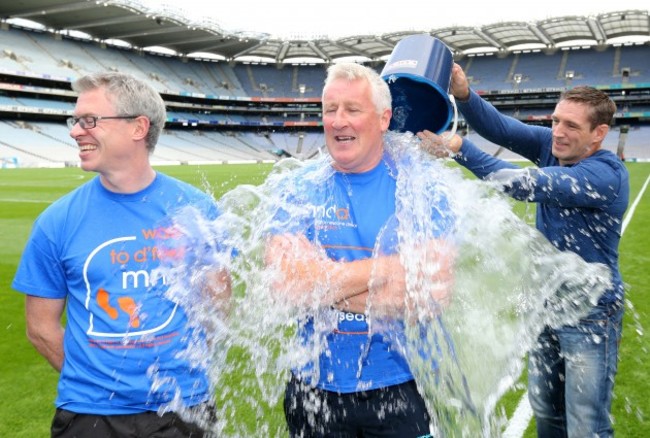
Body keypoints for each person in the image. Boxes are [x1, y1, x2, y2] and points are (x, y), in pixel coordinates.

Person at [11, 72, 231, 437]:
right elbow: (40, 328)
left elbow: (217, 307)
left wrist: (184, 370)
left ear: (138, 127)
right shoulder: (57, 222)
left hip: (183, 408)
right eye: (75, 120)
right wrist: (97, 383)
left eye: (90, 120)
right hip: (89, 417)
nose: (75, 131)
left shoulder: (196, 210)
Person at [418, 64, 629, 437]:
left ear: (599, 134)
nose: (558, 133)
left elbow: (521, 183)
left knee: (586, 425)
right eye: (556, 121)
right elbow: (500, 129)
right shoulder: (553, 144)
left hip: (592, 313)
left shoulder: (606, 175)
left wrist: (458, 148)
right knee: (547, 413)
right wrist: (464, 95)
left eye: (571, 126)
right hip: (546, 302)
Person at [264, 63, 455, 437]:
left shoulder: (422, 186)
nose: (338, 121)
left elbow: (428, 295)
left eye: (352, 109)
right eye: (330, 110)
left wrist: (322, 281)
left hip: (400, 384)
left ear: (384, 119)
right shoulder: (295, 188)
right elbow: (286, 286)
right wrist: (392, 268)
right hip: (313, 388)